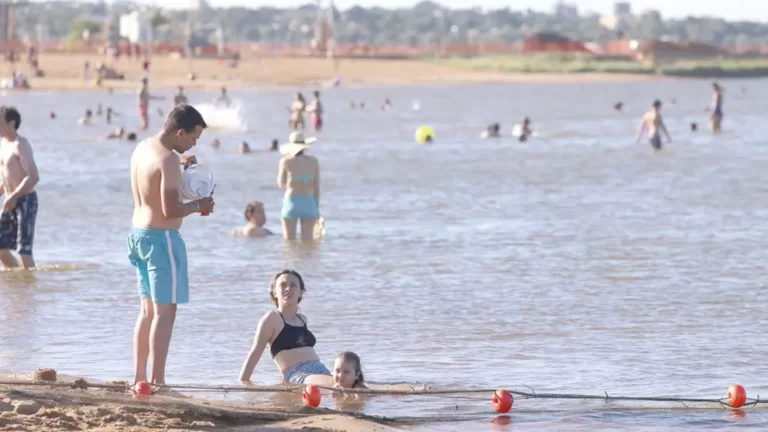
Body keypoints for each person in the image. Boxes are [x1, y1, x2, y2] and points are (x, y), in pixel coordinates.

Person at [127, 105, 214, 388]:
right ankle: (158, 381)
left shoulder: (143, 147)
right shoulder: (167, 161)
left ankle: (139, 378)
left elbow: (153, 188)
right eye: (192, 138)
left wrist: (181, 166)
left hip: (138, 234)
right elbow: (171, 209)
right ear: (180, 132)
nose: (194, 143)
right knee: (166, 312)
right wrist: (199, 205)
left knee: (147, 311)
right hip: (162, 239)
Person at [239, 270, 335, 386]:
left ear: (301, 292)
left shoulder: (302, 319)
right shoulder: (272, 318)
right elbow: (255, 353)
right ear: (274, 292)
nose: (288, 288)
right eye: (283, 285)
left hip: (321, 372)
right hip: (299, 375)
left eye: (293, 285)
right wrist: (243, 384)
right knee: (339, 385)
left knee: (356, 383)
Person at [0, 107, 39, 269]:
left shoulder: (20, 145)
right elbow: (7, 175)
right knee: (1, 247)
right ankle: (18, 280)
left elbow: (33, 177)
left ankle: (30, 286)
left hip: (25, 200)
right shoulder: (3, 144)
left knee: (24, 250)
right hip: (9, 201)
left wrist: (13, 197)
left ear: (11, 124)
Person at [277, 131, 320, 242]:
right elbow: (317, 186)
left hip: (291, 202)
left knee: (289, 243)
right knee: (308, 242)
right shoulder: (314, 161)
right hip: (309, 203)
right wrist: (316, 207)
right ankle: (307, 259)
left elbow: (281, 184)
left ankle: (293, 260)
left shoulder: (285, 161)